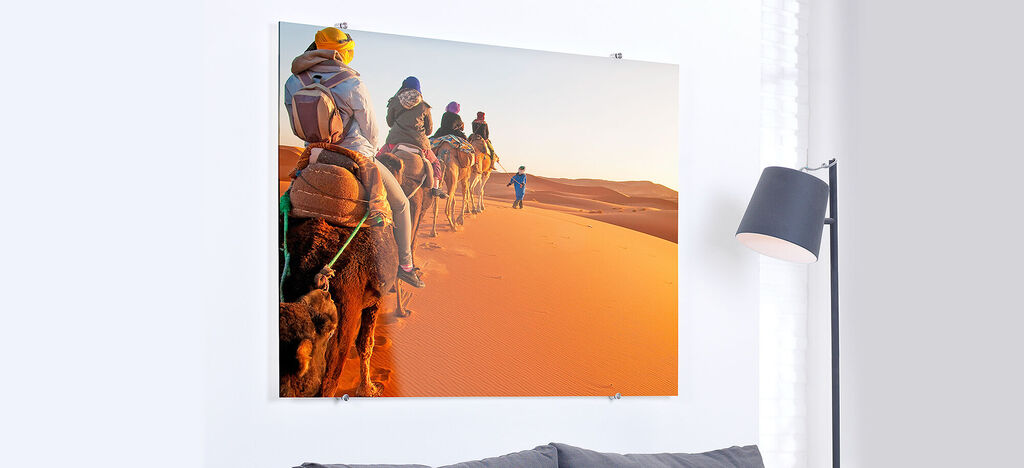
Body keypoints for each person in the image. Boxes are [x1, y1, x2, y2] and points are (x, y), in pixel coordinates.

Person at [284, 27, 425, 288]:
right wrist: (368, 156)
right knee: (402, 204)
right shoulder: (352, 82)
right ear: (344, 52)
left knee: (287, 202)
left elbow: (296, 123)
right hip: (355, 153)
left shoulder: (294, 82)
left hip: (314, 154)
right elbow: (371, 130)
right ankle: (405, 265)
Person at [380, 76, 447, 199]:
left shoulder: (395, 102)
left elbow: (390, 122)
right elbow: (429, 130)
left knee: (376, 160)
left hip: (394, 142)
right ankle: (436, 187)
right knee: (435, 163)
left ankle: (369, 184)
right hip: (419, 144)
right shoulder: (424, 106)